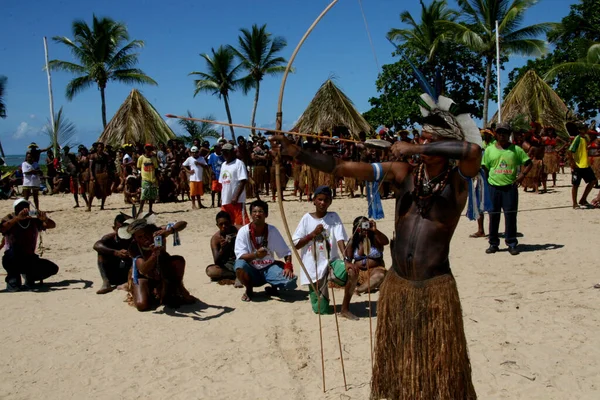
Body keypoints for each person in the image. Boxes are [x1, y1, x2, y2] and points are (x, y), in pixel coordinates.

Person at [272, 89, 482, 399]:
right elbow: (341, 168)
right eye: (421, 139)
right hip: (399, 283)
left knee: (439, 362)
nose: (423, 145)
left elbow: (472, 150)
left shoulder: (458, 181)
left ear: (443, 142)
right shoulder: (403, 172)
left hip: (436, 285)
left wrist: (412, 145)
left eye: (428, 140)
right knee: (401, 358)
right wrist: (297, 153)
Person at [292, 185, 358, 319]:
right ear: (314, 200)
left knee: (352, 271)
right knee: (321, 310)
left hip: (331, 262)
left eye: (326, 200)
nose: (322, 203)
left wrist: (346, 261)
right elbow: (297, 244)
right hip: (314, 267)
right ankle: (322, 299)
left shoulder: (334, 217)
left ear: (330, 202)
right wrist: (312, 234)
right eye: (320, 199)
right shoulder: (306, 218)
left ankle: (345, 309)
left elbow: (340, 239)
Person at [122, 216, 197, 311]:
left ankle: (178, 286)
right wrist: (154, 255)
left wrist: (170, 231)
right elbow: (143, 270)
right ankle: (149, 289)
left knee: (178, 261)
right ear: (135, 238)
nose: (145, 238)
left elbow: (183, 223)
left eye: (146, 234)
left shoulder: (158, 233)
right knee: (142, 305)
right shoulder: (133, 247)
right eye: (140, 237)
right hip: (144, 275)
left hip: (162, 268)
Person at [482, 122, 532, 255]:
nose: (502, 135)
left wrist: (522, 176)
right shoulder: (489, 150)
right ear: (496, 134)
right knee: (493, 216)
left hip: (510, 188)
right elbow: (485, 168)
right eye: (499, 133)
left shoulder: (516, 150)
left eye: (505, 133)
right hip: (493, 188)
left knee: (510, 216)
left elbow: (528, 163)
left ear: (509, 134)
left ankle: (511, 243)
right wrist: (487, 184)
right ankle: (493, 243)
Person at [234, 200, 297, 302]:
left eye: (261, 211)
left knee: (291, 282)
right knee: (239, 265)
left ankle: (273, 287)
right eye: (254, 212)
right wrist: (256, 255)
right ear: (250, 214)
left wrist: (288, 267)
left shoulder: (272, 230)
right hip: (252, 270)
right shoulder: (244, 231)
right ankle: (249, 290)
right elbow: (240, 255)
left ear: (266, 214)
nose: (257, 214)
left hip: (268, 267)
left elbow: (286, 252)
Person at [1, 198, 58, 291]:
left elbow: (52, 225)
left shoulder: (33, 221)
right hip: (12, 258)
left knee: (52, 268)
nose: (24, 210)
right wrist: (17, 218)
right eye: (21, 208)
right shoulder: (10, 219)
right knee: (14, 254)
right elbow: (2, 228)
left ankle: (29, 276)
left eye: (26, 207)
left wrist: (45, 219)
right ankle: (13, 280)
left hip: (29, 257)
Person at [345, 216, 388, 295]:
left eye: (366, 225)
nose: (365, 229)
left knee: (380, 275)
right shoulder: (353, 241)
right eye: (362, 226)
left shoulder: (375, 237)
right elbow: (348, 259)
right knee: (350, 272)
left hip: (375, 270)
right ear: (357, 228)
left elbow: (386, 242)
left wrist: (375, 230)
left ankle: (359, 290)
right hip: (358, 273)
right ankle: (362, 286)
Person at [93, 213, 133, 294]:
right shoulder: (109, 238)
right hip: (114, 274)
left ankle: (129, 282)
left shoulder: (132, 238)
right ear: (114, 228)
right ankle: (106, 282)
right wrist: (115, 252)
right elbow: (96, 245)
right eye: (119, 229)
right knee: (101, 252)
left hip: (129, 272)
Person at [567, 122, 598, 208]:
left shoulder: (585, 138)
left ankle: (583, 199)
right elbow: (570, 151)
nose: (586, 129)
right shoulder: (578, 138)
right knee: (575, 185)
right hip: (578, 165)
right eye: (584, 128)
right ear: (580, 130)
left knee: (593, 181)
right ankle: (574, 203)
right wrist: (572, 163)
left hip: (585, 164)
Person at [206, 211, 240, 283]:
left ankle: (239, 274)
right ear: (217, 225)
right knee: (210, 271)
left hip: (241, 260)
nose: (224, 226)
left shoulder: (240, 230)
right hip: (228, 265)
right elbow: (216, 261)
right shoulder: (215, 239)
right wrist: (222, 249)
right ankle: (236, 275)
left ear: (231, 222)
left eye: (226, 223)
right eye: (221, 224)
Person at [219, 143, 248, 225]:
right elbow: (222, 183)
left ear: (232, 152)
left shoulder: (239, 164)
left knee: (241, 224)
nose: (225, 155)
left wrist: (236, 196)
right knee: (226, 222)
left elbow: (243, 181)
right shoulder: (223, 165)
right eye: (223, 152)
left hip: (237, 201)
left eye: (227, 152)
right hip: (226, 200)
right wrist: (222, 197)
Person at [136, 144, 159, 217]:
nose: (148, 150)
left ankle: (150, 209)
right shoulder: (141, 158)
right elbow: (138, 167)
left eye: (150, 149)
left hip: (152, 178)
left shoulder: (153, 159)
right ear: (145, 149)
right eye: (147, 149)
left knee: (151, 195)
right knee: (144, 194)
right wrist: (141, 174)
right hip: (145, 179)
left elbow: (156, 168)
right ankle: (140, 209)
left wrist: (157, 177)